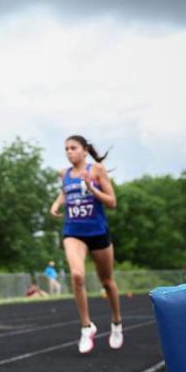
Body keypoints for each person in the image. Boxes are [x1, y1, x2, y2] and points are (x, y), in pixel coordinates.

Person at [49, 135, 123, 354]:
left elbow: (112, 202)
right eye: (66, 149)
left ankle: (116, 322)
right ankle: (85, 327)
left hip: (98, 232)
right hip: (73, 232)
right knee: (77, 275)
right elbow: (65, 192)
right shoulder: (64, 174)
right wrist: (56, 204)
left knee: (107, 281)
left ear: (84, 150)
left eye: (73, 148)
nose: (69, 152)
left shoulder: (96, 170)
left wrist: (93, 189)